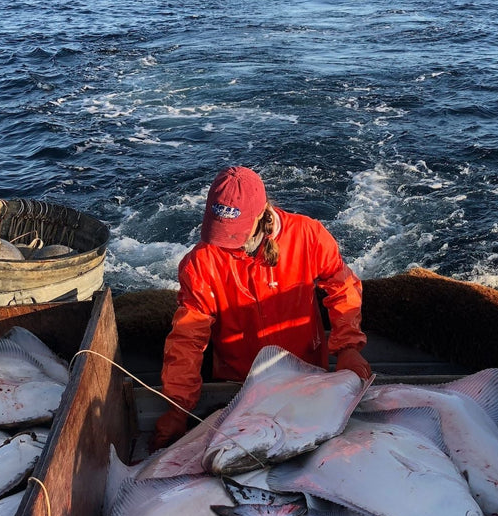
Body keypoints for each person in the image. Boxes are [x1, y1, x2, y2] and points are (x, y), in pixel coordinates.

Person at [152, 166, 371, 450]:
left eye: (236, 233)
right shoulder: (200, 262)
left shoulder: (308, 234)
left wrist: (348, 347)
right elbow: (187, 337)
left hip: (308, 376)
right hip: (241, 389)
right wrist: (177, 406)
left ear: (260, 215)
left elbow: (342, 287)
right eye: (221, 233)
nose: (228, 243)